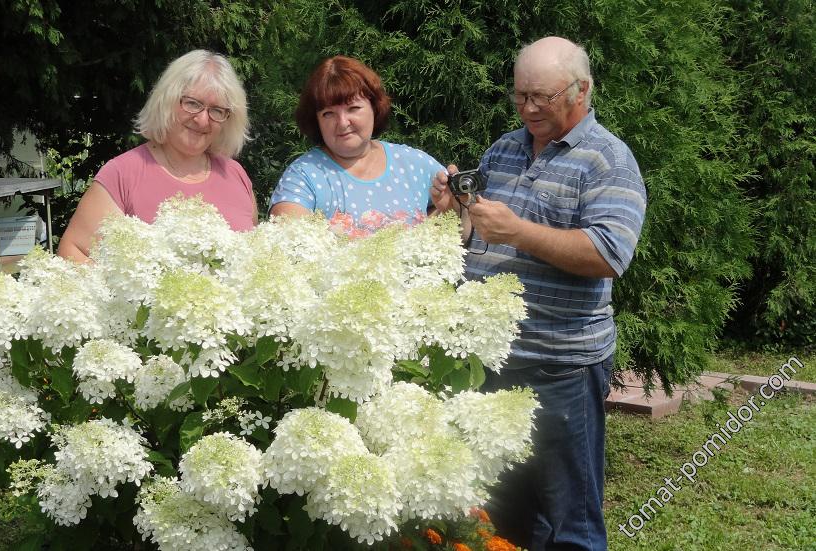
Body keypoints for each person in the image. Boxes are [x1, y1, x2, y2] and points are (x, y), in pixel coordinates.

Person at [431, 37, 647, 550]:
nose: (528, 108)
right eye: (520, 95)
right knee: (502, 519)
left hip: (560, 368)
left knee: (570, 523)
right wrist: (449, 211)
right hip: (491, 362)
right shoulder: (504, 147)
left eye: (542, 97)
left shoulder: (609, 160)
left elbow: (609, 255)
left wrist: (520, 231)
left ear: (581, 91)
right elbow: (473, 237)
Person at [58, 50, 257, 262]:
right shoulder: (123, 174)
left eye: (216, 110)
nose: (202, 120)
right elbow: (74, 251)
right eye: (192, 103)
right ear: (167, 101)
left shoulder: (235, 174)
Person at [269, 56, 443, 236]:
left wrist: (451, 210)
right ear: (316, 121)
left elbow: (460, 226)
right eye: (328, 114)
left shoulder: (414, 164)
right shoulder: (304, 176)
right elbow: (287, 246)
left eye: (353, 108)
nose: (343, 123)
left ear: (374, 108)